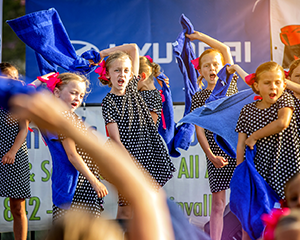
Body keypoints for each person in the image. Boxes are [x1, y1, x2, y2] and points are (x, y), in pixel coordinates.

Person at [94, 44, 175, 219]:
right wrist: (130, 164)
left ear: (132, 74)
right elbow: (115, 138)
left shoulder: (131, 87)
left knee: (147, 203)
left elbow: (133, 48)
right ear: (107, 74)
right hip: (127, 157)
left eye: (125, 70)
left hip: (148, 153)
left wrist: (103, 53)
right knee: (125, 207)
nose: (121, 74)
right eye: (116, 70)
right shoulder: (108, 101)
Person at [235, 61, 300, 240]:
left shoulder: (286, 99)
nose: (273, 86)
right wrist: (241, 174)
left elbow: (282, 123)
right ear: (256, 85)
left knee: (291, 219)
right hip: (261, 173)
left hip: (290, 170)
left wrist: (254, 136)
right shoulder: (247, 110)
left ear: (284, 85)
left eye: (278, 82)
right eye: (267, 83)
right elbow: (241, 143)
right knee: (256, 217)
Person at [36, 72, 108, 221]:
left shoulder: (59, 116)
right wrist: (94, 181)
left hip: (72, 184)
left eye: (81, 95)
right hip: (78, 184)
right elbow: (73, 155)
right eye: (73, 93)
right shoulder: (66, 117)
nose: (78, 98)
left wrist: (37, 82)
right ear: (56, 92)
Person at [187, 31, 238, 240]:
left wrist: (199, 37)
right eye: (206, 65)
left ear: (223, 67)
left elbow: (225, 49)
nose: (212, 69)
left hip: (237, 150)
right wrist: (210, 156)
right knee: (217, 203)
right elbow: (199, 130)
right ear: (200, 69)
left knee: (240, 200)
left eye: (215, 64)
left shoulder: (230, 85)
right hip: (216, 154)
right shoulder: (199, 97)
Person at [0, 63, 30, 240]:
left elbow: (23, 129)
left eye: (15, 76)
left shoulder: (20, 100)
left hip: (15, 156)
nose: (13, 80)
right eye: (7, 76)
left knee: (18, 208)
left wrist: (12, 152)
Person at [138, 55, 164, 126]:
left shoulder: (152, 96)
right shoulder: (140, 93)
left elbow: (150, 127)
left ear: (142, 76)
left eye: (131, 79)